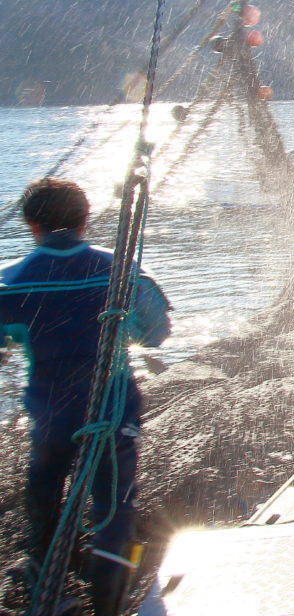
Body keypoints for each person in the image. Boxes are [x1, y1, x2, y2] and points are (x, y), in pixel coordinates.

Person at [0, 178, 171, 616]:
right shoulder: (122, 271)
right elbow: (156, 334)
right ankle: (107, 604)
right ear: (86, 220)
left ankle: (46, 575)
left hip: (52, 416)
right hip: (112, 413)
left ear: (32, 225)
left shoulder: (12, 282)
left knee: (42, 486)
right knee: (114, 505)